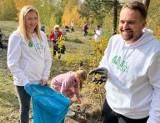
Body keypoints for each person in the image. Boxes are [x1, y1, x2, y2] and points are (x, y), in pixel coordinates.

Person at [89, 1, 160, 123]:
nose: (125, 26)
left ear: (143, 24)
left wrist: (154, 120)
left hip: (134, 116)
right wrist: (103, 71)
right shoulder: (114, 40)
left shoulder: (155, 51)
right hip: (110, 106)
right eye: (122, 21)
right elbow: (105, 62)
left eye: (131, 22)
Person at [7, 5, 52, 123]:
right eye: (29, 19)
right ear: (23, 20)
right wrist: (25, 81)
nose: (33, 22)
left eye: (35, 18)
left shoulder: (42, 35)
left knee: (43, 108)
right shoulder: (17, 36)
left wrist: (45, 76)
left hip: (40, 81)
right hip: (24, 83)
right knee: (25, 109)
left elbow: (47, 58)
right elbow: (12, 63)